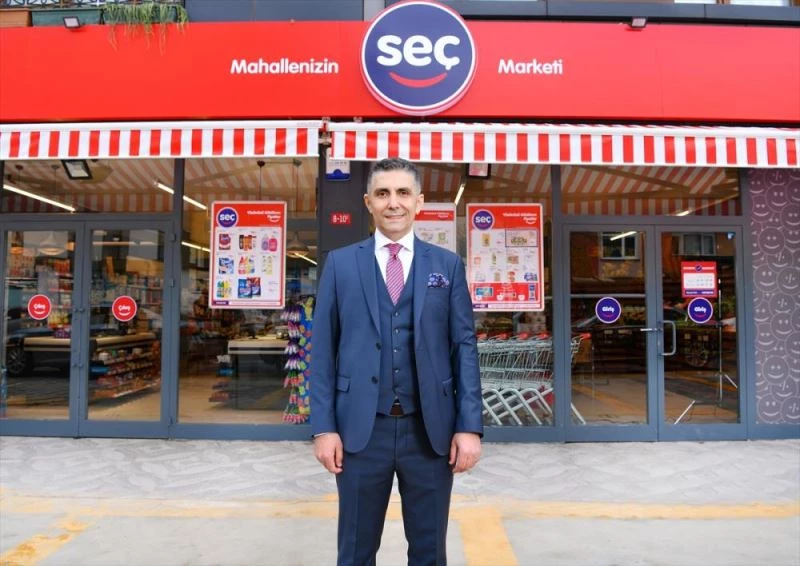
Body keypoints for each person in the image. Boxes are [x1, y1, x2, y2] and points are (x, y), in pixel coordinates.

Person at [310, 158, 483, 566]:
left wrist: (469, 426)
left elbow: (464, 347)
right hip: (359, 431)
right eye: (383, 193)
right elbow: (322, 351)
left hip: (430, 431)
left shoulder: (446, 265)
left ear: (419, 202)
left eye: (403, 193)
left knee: (429, 552)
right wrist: (323, 428)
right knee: (355, 551)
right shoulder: (340, 264)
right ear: (367, 202)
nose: (393, 203)